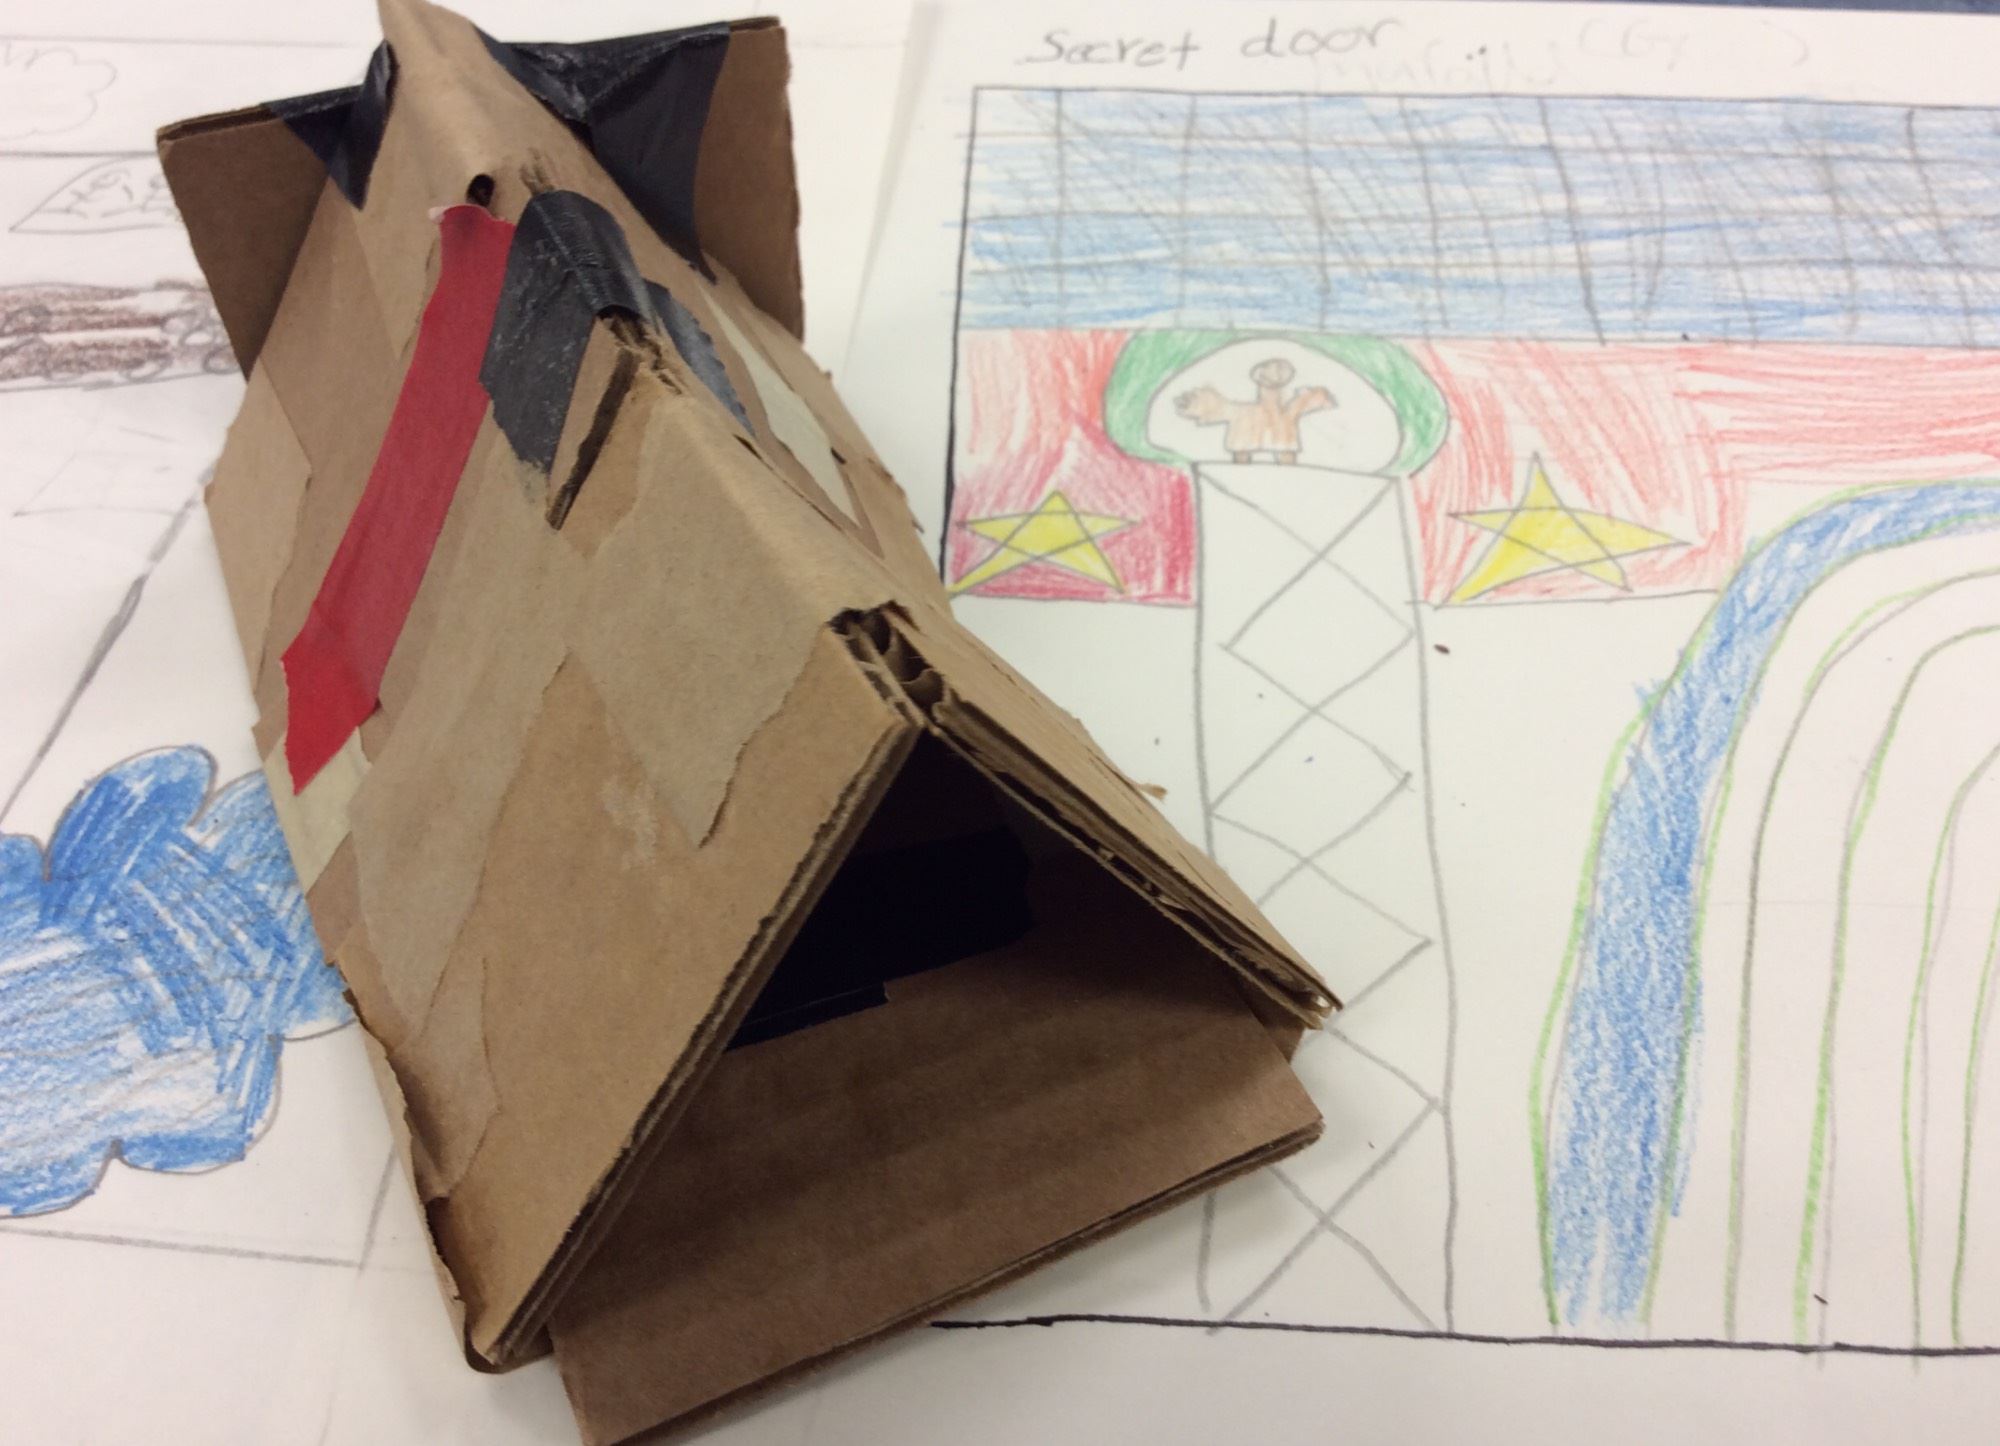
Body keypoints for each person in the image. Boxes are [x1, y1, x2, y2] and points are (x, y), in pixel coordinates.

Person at [1175, 357, 1336, 464]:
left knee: (1280, 456)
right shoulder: (1249, 414)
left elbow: (1305, 402)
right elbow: (1305, 401)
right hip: (1270, 430)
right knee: (1245, 457)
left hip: (1277, 430)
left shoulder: (1284, 413)